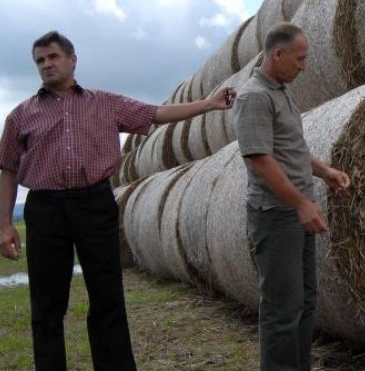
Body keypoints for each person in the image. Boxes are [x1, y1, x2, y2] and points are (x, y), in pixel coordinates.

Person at [0, 30, 236, 371]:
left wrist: (208, 104)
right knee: (47, 304)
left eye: (52, 57)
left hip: (94, 204)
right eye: (40, 60)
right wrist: (5, 224)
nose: (46, 65)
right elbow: (7, 168)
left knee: (107, 296)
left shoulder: (105, 102)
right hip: (45, 208)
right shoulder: (21, 115)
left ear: (72, 59)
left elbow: (156, 113)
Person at [234, 22, 351, 371]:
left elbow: (291, 149)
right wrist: (300, 203)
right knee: (282, 309)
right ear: (278, 54)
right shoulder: (254, 96)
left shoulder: (281, 91)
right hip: (276, 215)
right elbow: (259, 159)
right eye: (300, 59)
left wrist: (326, 172)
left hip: (296, 211)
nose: (304, 66)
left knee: (304, 301)